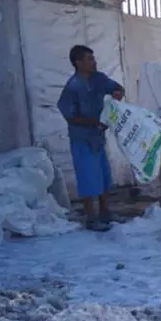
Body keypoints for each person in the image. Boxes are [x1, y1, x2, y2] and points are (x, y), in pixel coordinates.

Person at [57, 45, 125, 232]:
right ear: (78, 63)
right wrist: (94, 122)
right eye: (89, 59)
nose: (94, 62)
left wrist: (118, 92)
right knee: (87, 177)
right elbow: (69, 115)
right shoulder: (73, 86)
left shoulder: (98, 79)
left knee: (103, 174)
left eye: (93, 58)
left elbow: (116, 87)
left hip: (97, 137)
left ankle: (105, 211)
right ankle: (91, 217)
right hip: (82, 138)